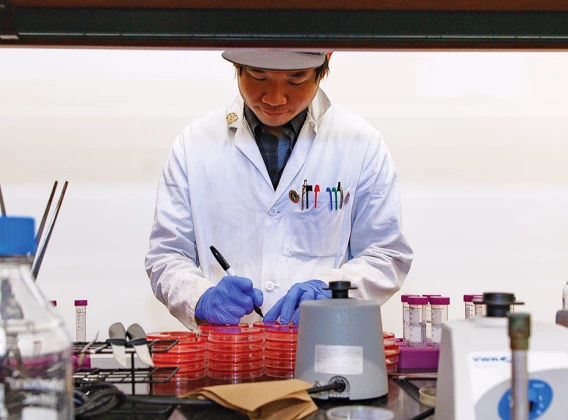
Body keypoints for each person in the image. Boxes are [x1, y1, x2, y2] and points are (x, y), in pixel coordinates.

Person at [145, 50, 413, 330]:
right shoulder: (194, 145)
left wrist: (331, 292)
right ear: (238, 66)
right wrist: (199, 297)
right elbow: (167, 255)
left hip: (320, 348)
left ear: (326, 62)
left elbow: (386, 254)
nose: (275, 98)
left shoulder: (361, 144)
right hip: (230, 357)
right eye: (258, 76)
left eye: (296, 79)